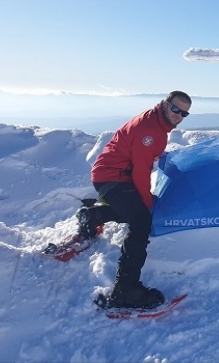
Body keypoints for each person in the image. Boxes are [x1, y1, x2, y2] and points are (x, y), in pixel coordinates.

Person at [76, 90, 192, 309]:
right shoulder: (150, 131)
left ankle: (94, 215)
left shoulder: (157, 122)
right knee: (141, 220)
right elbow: (140, 172)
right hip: (113, 177)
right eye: (175, 109)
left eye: (184, 114)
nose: (178, 115)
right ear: (165, 104)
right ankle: (126, 290)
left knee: (133, 210)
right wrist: (146, 206)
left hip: (114, 175)